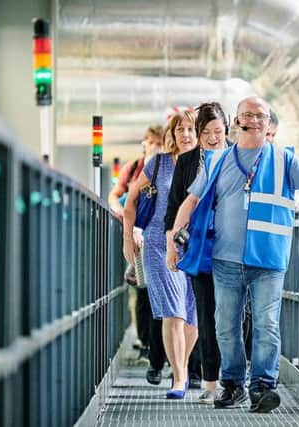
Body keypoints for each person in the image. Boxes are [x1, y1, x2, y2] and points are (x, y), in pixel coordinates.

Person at [171, 96, 299, 413]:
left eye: (261, 116)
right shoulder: (218, 161)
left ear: (268, 123)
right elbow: (190, 201)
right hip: (226, 260)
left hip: (268, 260)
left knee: (266, 324)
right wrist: (175, 240)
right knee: (225, 325)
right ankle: (233, 385)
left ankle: (262, 387)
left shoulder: (284, 159)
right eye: (248, 115)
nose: (254, 120)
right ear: (237, 121)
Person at [123, 109, 199, 400]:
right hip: (158, 243)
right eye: (180, 130)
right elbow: (130, 201)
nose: (186, 135)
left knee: (192, 316)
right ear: (172, 135)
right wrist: (128, 238)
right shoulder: (159, 164)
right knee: (173, 313)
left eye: (191, 129)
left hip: (196, 246)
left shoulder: (208, 163)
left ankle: (179, 365)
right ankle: (179, 378)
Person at [165, 102, 229, 404]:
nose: (213, 138)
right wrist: (172, 246)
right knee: (205, 313)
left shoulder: (237, 157)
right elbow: (176, 205)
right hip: (201, 247)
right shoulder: (189, 162)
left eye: (218, 131)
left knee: (234, 316)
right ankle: (211, 382)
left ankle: (235, 379)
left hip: (235, 247)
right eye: (206, 133)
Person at [107, 125, 163, 360]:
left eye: (159, 143)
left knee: (156, 291)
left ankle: (158, 348)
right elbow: (117, 195)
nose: (155, 148)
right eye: (151, 143)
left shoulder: (169, 168)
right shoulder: (133, 170)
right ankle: (148, 343)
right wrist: (121, 213)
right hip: (138, 238)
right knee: (143, 291)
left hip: (158, 237)